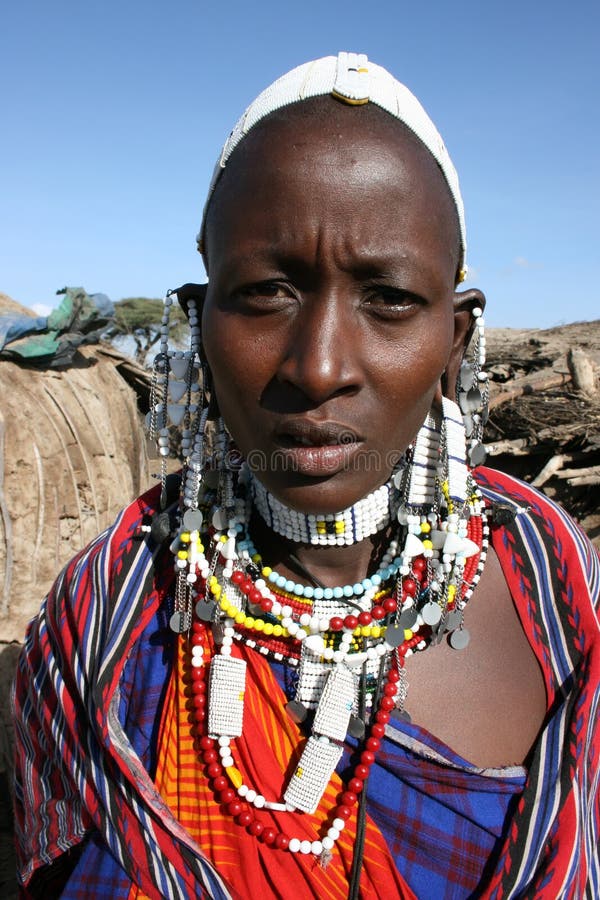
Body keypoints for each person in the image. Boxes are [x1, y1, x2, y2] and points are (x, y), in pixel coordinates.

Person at [13, 53, 599, 899]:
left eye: (389, 297)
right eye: (264, 292)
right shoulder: (103, 617)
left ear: (457, 344)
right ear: (197, 323)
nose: (318, 367)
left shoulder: (556, 582)